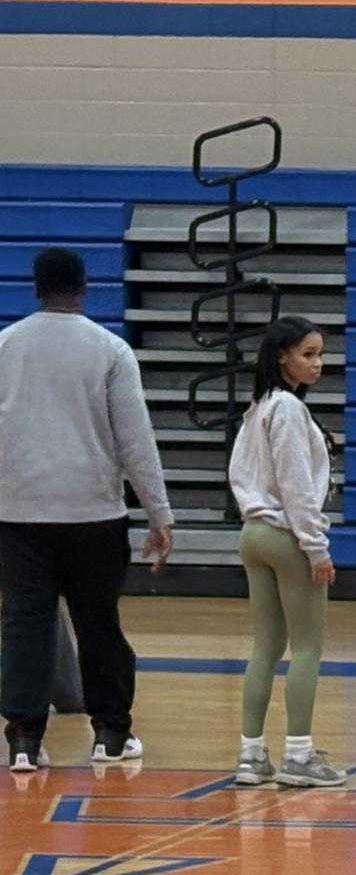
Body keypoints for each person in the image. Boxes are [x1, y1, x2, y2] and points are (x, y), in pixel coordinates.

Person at [0, 246, 172, 773]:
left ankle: (24, 739)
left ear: (35, 287)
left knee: (24, 624)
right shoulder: (110, 349)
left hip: (18, 514)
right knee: (99, 623)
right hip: (94, 513)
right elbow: (135, 441)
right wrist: (159, 514)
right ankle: (111, 734)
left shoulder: (4, 346)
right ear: (83, 287)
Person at [229, 316, 344, 788]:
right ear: (282, 357)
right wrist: (316, 548)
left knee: (265, 647)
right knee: (308, 648)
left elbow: (239, 473)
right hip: (286, 535)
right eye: (308, 354)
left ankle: (251, 755)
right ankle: (298, 753)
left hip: (253, 533)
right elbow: (297, 489)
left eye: (319, 354)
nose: (318, 364)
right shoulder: (290, 412)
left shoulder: (258, 408)